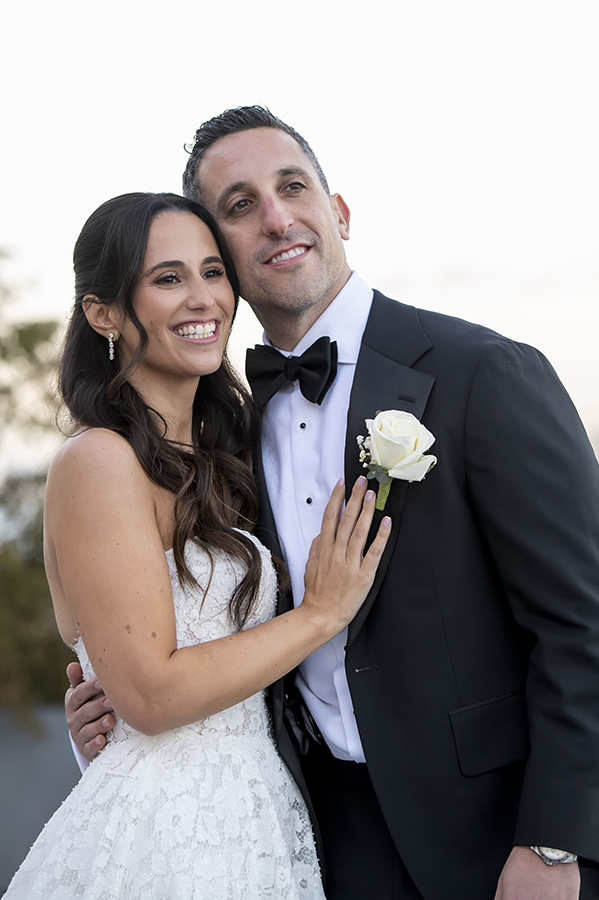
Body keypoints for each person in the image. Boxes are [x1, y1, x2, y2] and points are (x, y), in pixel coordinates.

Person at [66, 109, 599, 900]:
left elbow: (582, 622)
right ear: (224, 249)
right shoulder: (227, 435)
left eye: (292, 187)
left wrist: (556, 842)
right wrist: (105, 714)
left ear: (337, 211)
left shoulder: (481, 372)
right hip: (312, 842)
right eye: (240, 206)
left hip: (495, 838)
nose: (276, 218)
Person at [5, 191, 391, 899]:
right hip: (162, 836)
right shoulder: (98, 461)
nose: (203, 297)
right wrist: (318, 615)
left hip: (260, 817)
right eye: (168, 278)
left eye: (213, 272)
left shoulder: (228, 456)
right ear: (102, 314)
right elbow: (149, 694)